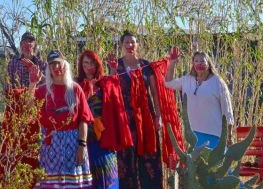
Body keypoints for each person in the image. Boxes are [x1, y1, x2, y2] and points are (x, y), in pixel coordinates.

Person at [112, 31, 166, 188]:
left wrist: (158, 116)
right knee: (127, 157)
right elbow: (113, 91)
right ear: (122, 45)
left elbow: (154, 93)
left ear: (137, 45)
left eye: (132, 42)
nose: (130, 45)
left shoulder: (146, 66)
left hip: (146, 118)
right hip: (126, 119)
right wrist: (113, 70)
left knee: (149, 156)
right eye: (126, 42)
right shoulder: (117, 65)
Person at [34, 50, 94, 188]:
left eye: (58, 64)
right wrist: (32, 83)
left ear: (65, 65)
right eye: (52, 64)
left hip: (72, 144)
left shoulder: (75, 89)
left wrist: (82, 145)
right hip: (50, 146)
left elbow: (83, 120)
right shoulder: (43, 91)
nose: (56, 67)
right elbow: (28, 109)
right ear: (48, 68)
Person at [165, 51, 234, 148]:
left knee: (216, 163)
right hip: (194, 135)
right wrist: (172, 62)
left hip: (215, 134)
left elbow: (227, 110)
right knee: (196, 163)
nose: (199, 63)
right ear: (193, 64)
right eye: (196, 61)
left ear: (208, 64)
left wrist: (229, 135)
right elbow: (168, 83)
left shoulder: (218, 82)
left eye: (202, 61)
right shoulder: (187, 80)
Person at [75, 50, 119, 189]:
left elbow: (114, 95)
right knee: (89, 176)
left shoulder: (103, 83)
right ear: (81, 66)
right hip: (84, 136)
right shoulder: (76, 84)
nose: (89, 66)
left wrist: (113, 70)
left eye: (92, 62)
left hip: (103, 135)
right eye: (85, 63)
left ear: (97, 64)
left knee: (107, 175)